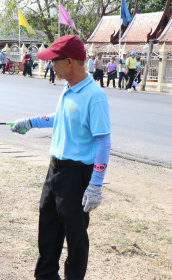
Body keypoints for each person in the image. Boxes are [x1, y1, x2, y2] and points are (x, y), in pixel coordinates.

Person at [11, 35, 111, 280]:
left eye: (54, 61)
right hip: (54, 171)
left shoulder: (94, 96)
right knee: (47, 230)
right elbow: (60, 118)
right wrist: (30, 122)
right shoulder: (68, 89)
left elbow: (103, 141)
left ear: (69, 62)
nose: (50, 66)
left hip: (77, 175)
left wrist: (96, 184)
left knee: (75, 238)